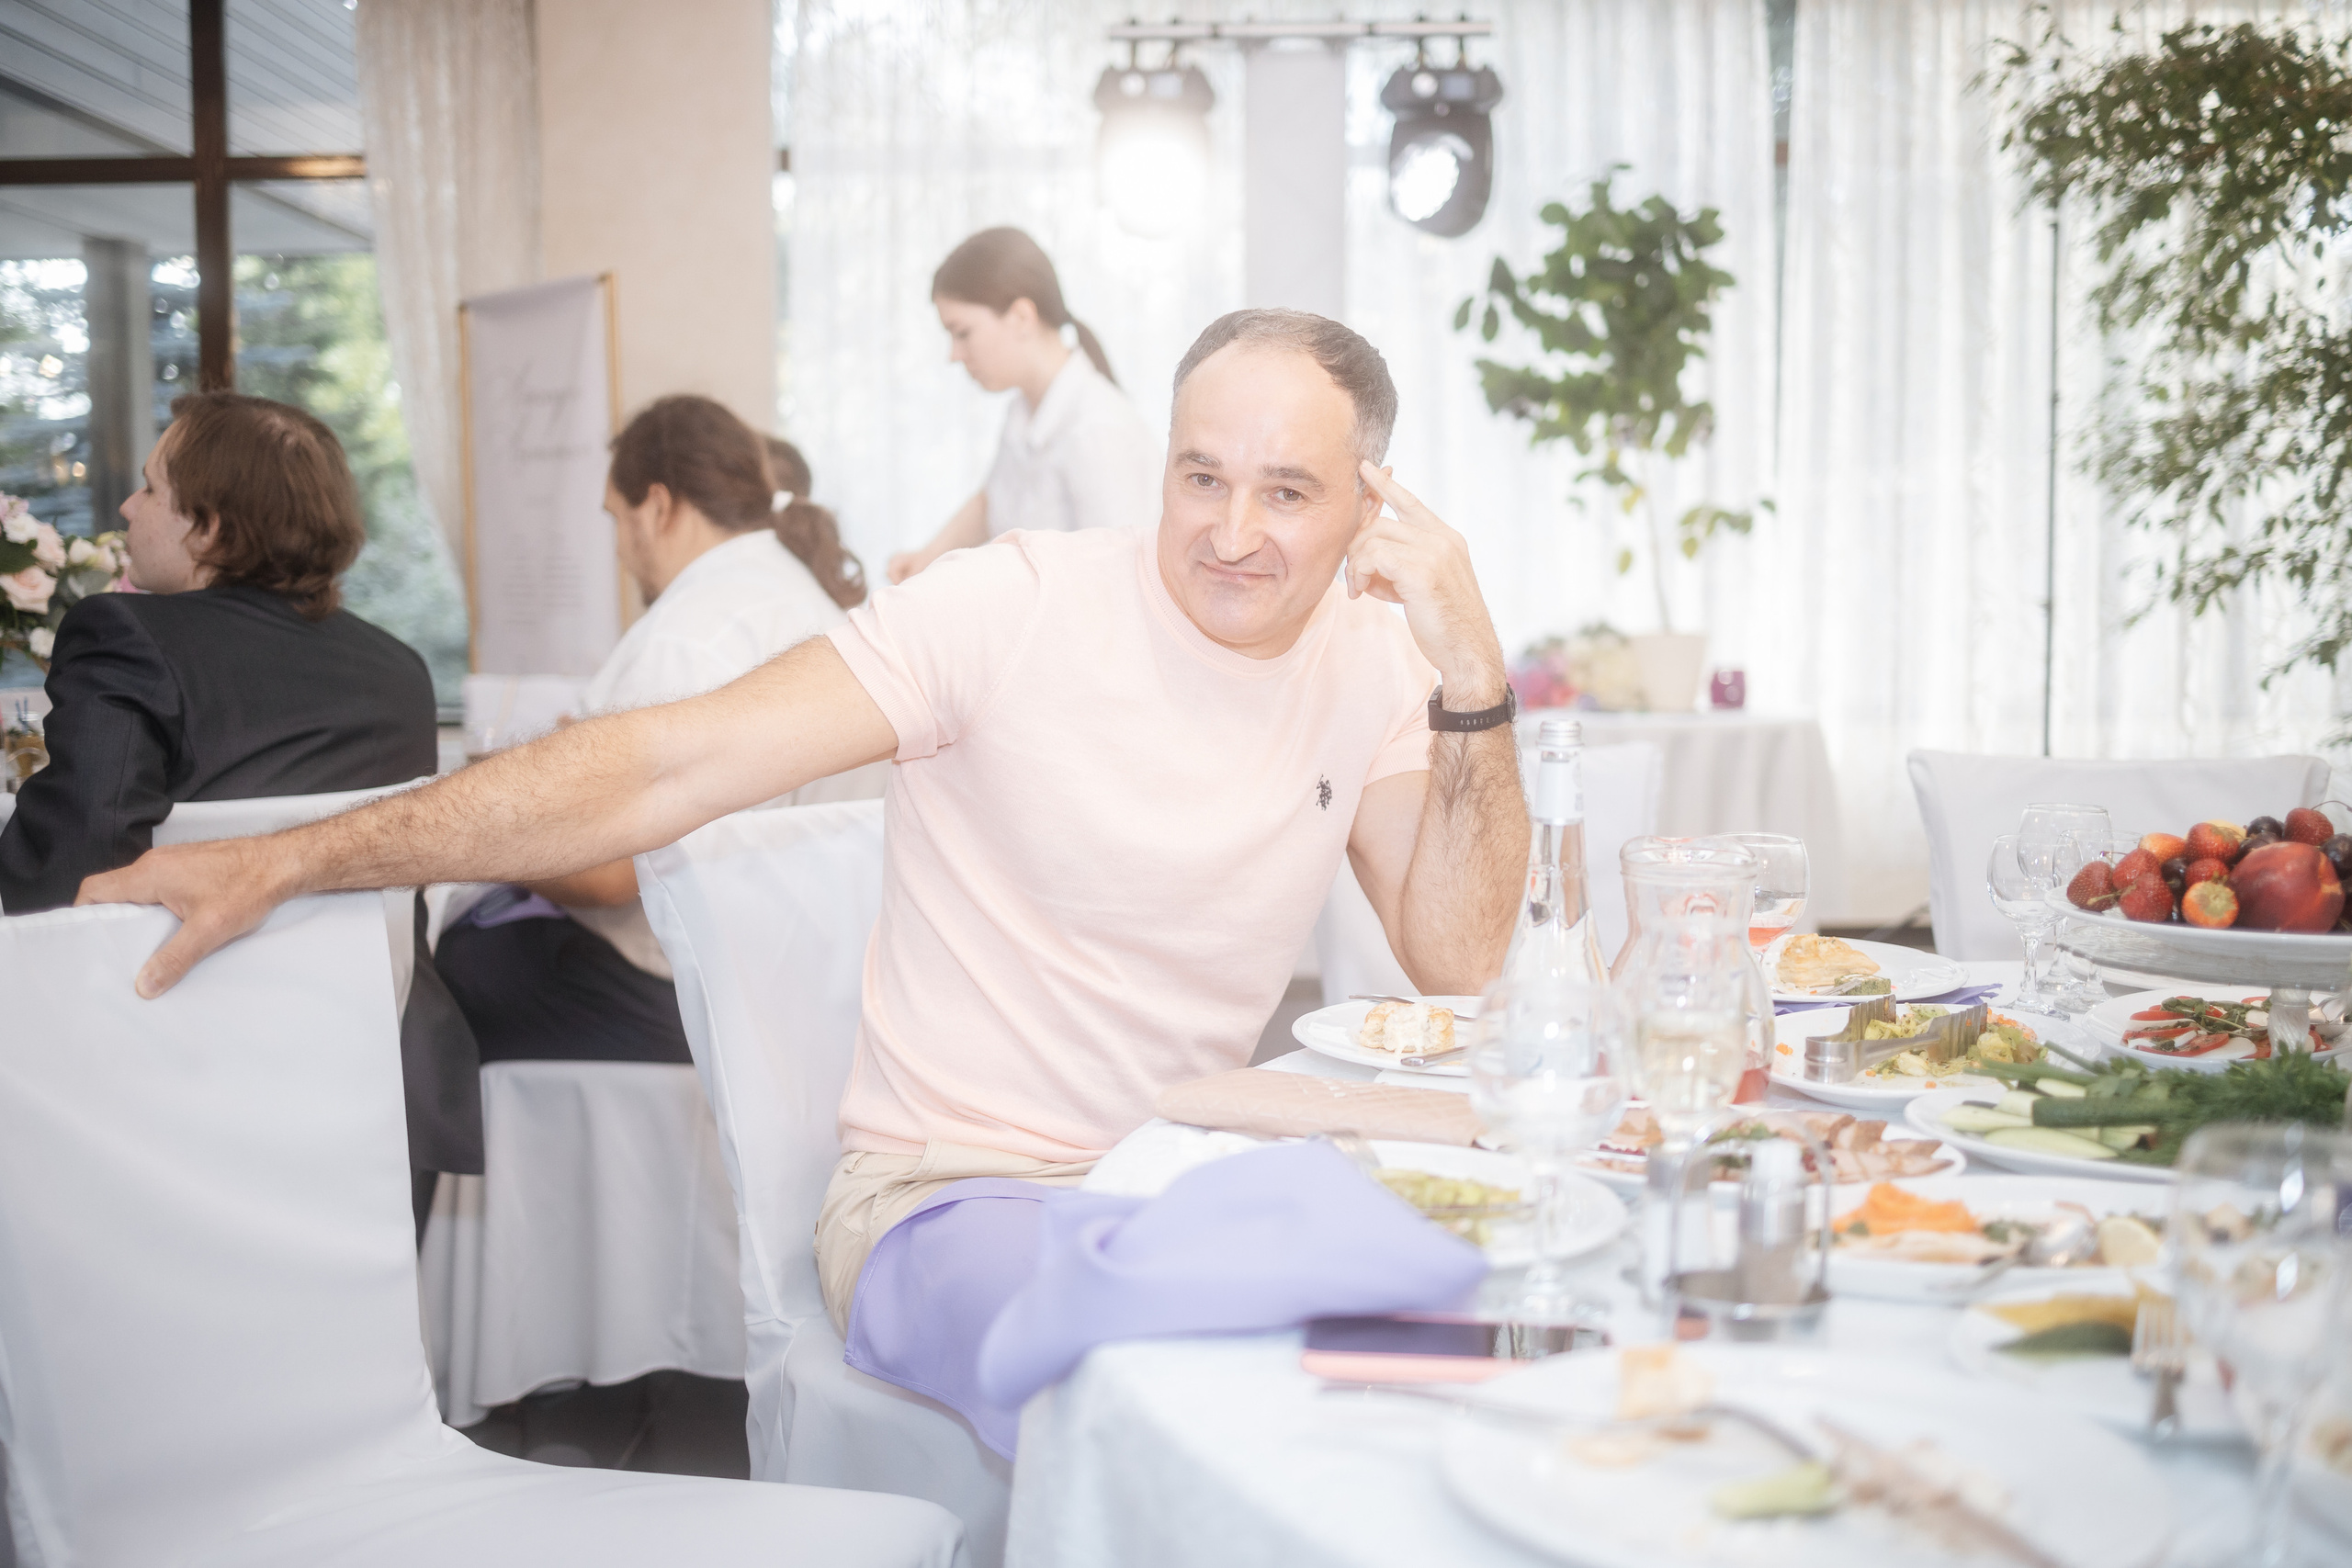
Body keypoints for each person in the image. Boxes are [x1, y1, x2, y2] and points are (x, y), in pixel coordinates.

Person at [83, 309, 1528, 1340]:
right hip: (949, 1201)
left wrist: (1473, 670)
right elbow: (658, 766)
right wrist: (291, 854)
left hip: (1177, 1179)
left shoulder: (1379, 662)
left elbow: (1458, 952)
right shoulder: (1010, 605)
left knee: (1456, 1307)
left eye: (1287, 491)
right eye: (1201, 474)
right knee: (1182, 1354)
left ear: (1372, 507)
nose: (1230, 530)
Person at [0, 390, 472, 1232]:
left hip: (161, 1099)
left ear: (209, 528)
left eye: (149, 489)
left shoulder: (127, 634)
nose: (125, 506)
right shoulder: (400, 671)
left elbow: (63, 883)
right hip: (378, 1080)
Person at [434, 397, 882, 1066]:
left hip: (686, 993)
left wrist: (482, 832)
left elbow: (613, 872)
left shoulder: (692, 636)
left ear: (660, 506)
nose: (619, 548)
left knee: (446, 967)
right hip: (801, 976)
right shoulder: (796, 591)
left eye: (617, 518)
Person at [887, 228, 1162, 582]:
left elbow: (1122, 584)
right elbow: (993, 501)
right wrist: (928, 557)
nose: (954, 355)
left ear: (1020, 317)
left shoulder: (1097, 431)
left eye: (962, 333)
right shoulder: (1023, 411)